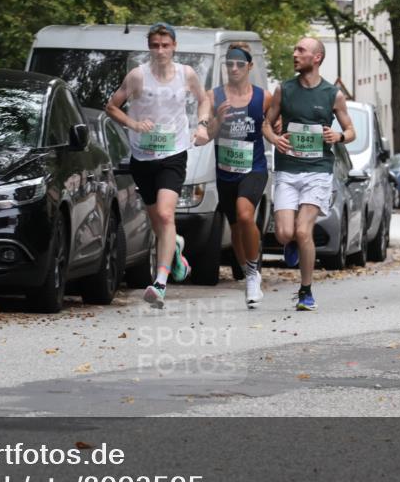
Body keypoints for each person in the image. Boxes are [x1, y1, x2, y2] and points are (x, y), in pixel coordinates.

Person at [106, 22, 212, 308]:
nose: (160, 50)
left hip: (174, 153)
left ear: (174, 46)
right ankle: (175, 248)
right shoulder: (138, 77)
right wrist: (134, 123)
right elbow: (112, 106)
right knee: (159, 223)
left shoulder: (186, 75)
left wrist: (202, 126)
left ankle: (160, 283)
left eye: (166, 45)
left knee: (166, 215)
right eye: (155, 45)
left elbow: (204, 101)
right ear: (149, 47)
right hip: (143, 157)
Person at [262, 37, 356, 311]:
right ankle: (293, 243)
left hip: (318, 171)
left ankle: (306, 291)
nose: (295, 54)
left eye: (301, 50)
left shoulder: (332, 94)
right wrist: (275, 139)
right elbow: (266, 124)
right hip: (288, 171)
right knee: (283, 233)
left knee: (304, 231)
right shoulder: (284, 90)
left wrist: (338, 135)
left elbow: (351, 131)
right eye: (295, 49)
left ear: (317, 58)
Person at [193, 42, 270, 308]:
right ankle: (248, 270)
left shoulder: (263, 97)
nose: (234, 68)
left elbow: (272, 125)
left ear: (250, 66)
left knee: (246, 214)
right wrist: (215, 123)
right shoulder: (213, 97)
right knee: (236, 227)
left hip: (254, 168)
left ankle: (252, 274)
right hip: (226, 172)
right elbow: (204, 133)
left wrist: (279, 131)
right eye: (229, 64)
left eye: (239, 64)